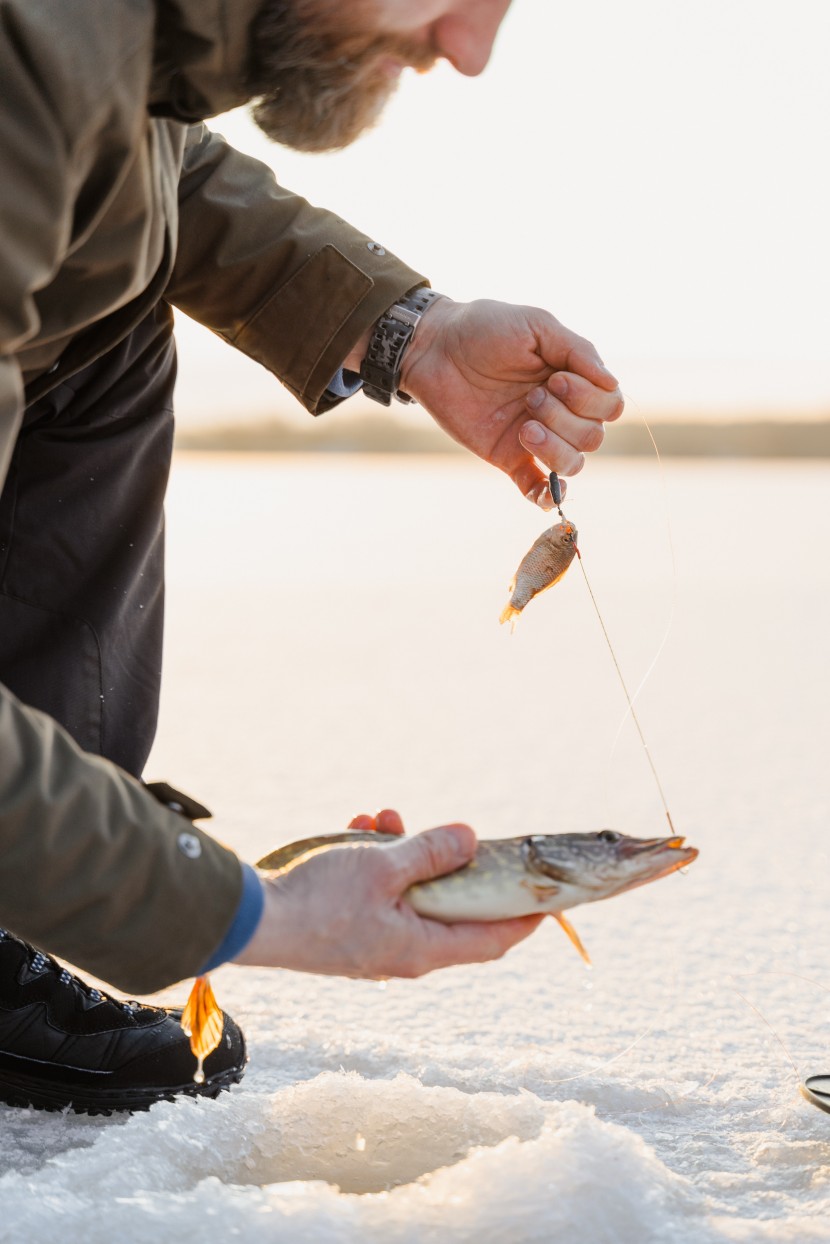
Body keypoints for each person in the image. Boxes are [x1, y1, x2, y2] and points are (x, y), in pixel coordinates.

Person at [0, 0, 623, 1114]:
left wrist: (413, 335)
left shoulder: (108, 51)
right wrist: (254, 913)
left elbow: (155, 169)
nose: (466, 49)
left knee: (111, 302)